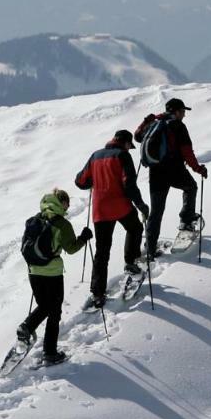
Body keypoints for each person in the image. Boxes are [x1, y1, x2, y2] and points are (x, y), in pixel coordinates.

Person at [17, 188, 93, 366]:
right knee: (54, 311)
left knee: (44, 306)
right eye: (67, 204)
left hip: (33, 271)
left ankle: (26, 327)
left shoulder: (36, 218)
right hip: (52, 273)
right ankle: (49, 352)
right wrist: (84, 237)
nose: (68, 208)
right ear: (62, 202)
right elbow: (71, 249)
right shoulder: (62, 224)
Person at [74, 129, 150, 309]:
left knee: (102, 252)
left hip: (100, 211)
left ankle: (97, 293)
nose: (129, 149)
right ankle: (131, 263)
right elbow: (129, 185)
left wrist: (95, 179)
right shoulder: (122, 156)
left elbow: (80, 182)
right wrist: (141, 205)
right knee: (135, 228)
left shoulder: (95, 156)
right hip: (120, 205)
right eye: (129, 146)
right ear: (125, 143)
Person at [135, 97, 208, 259]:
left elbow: (138, 137)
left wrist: (146, 121)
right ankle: (186, 221)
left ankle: (151, 248)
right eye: (182, 111)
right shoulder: (178, 126)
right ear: (175, 111)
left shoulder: (154, 124)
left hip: (155, 173)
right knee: (191, 187)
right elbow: (187, 152)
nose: (184, 115)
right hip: (174, 169)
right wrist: (198, 168)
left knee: (156, 212)